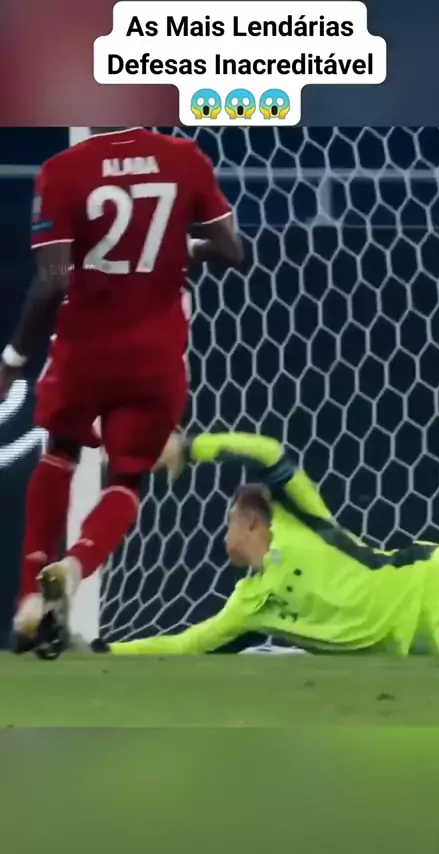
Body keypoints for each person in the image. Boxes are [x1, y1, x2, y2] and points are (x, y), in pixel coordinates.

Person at [0, 127, 243, 658]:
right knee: (128, 478)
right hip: (154, 358)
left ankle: (29, 599)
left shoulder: (65, 170)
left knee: (59, 455)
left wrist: (13, 358)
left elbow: (53, 281)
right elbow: (232, 251)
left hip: (84, 350)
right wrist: (183, 249)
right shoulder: (184, 158)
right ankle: (76, 566)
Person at [84, 430, 439, 659]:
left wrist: (188, 449)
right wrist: (107, 652)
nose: (224, 535)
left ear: (251, 519)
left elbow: (268, 453)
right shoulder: (250, 605)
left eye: (229, 520)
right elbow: (185, 644)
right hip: (429, 632)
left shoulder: (302, 519)